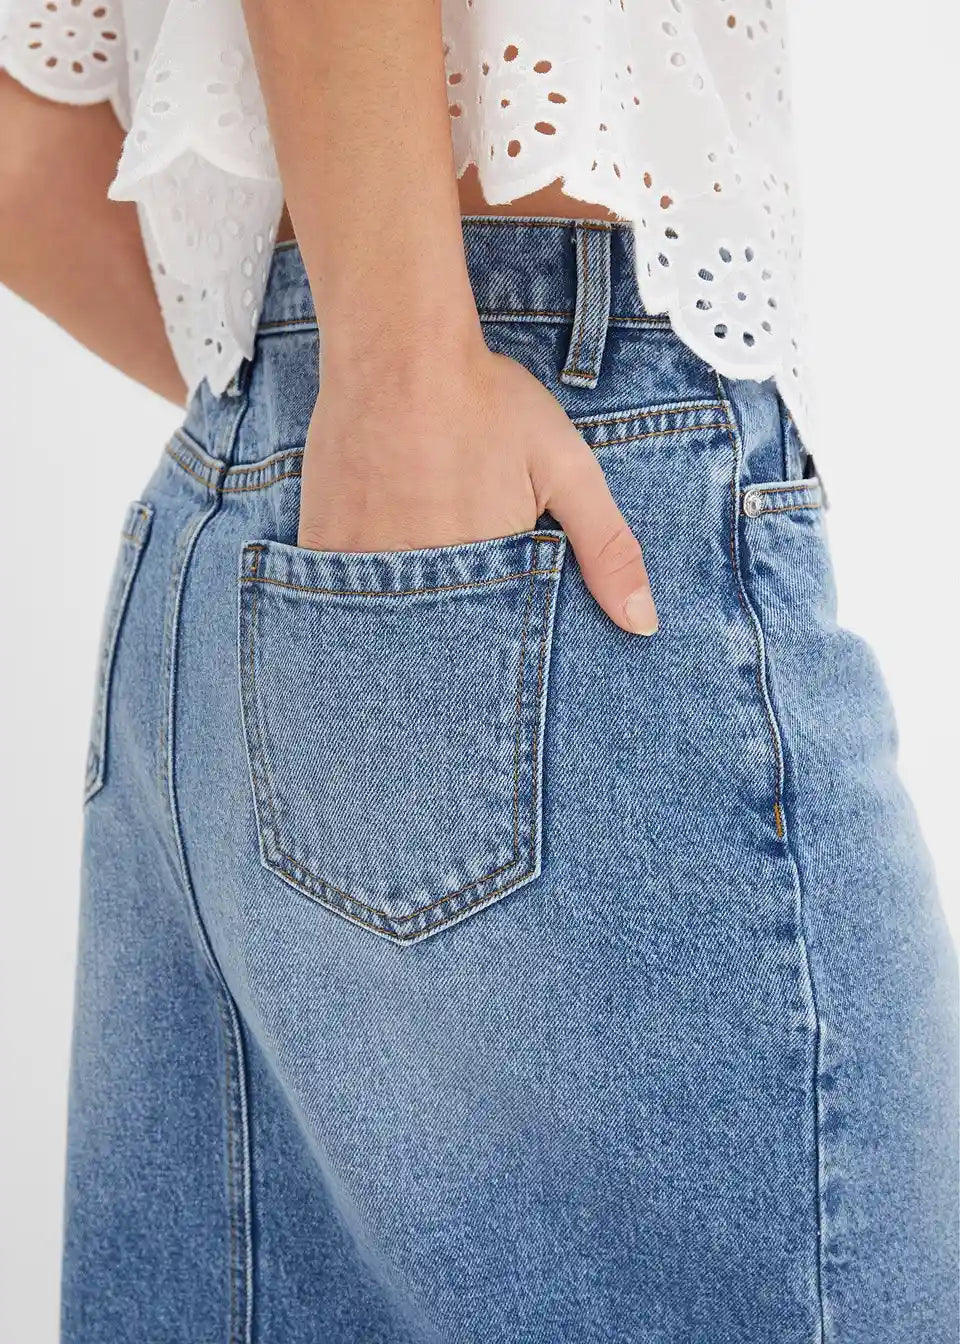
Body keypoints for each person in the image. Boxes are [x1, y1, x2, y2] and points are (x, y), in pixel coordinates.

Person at [1, 1, 956, 1340]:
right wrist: (398, 377)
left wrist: (335, 421)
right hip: (540, 477)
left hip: (235, 530)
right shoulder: (417, 388)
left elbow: (21, 151)